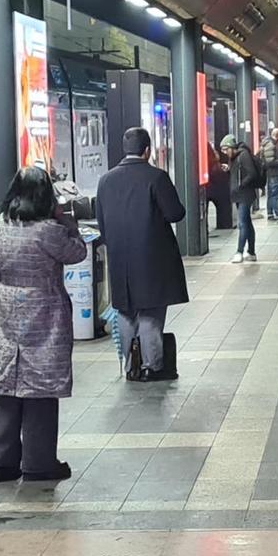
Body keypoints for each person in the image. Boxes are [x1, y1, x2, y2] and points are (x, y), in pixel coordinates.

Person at [0, 166, 89, 483]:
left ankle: (1, 462)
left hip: (8, 307)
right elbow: (77, 254)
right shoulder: (49, 231)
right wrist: (70, 225)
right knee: (41, 386)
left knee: (9, 383)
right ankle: (39, 462)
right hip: (45, 309)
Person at [94, 125, 187, 381]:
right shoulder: (156, 177)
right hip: (153, 257)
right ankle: (151, 366)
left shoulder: (105, 180)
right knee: (150, 312)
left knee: (125, 311)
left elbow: (101, 221)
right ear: (147, 151)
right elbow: (175, 213)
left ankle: (129, 366)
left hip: (120, 259)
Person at [227, 137, 263, 260]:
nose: (225, 152)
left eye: (226, 149)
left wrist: (241, 185)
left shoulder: (243, 155)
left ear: (231, 147)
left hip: (245, 195)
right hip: (240, 195)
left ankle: (239, 252)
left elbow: (251, 173)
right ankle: (251, 252)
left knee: (242, 223)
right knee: (247, 223)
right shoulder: (236, 157)